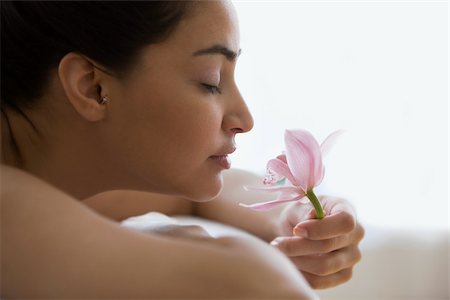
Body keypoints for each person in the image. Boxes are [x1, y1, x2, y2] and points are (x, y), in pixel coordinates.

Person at [0, 1, 364, 298]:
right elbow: (259, 287)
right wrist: (204, 255)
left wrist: (290, 212)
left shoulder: (47, 168)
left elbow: (194, 200)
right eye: (212, 81)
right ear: (92, 87)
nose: (245, 118)